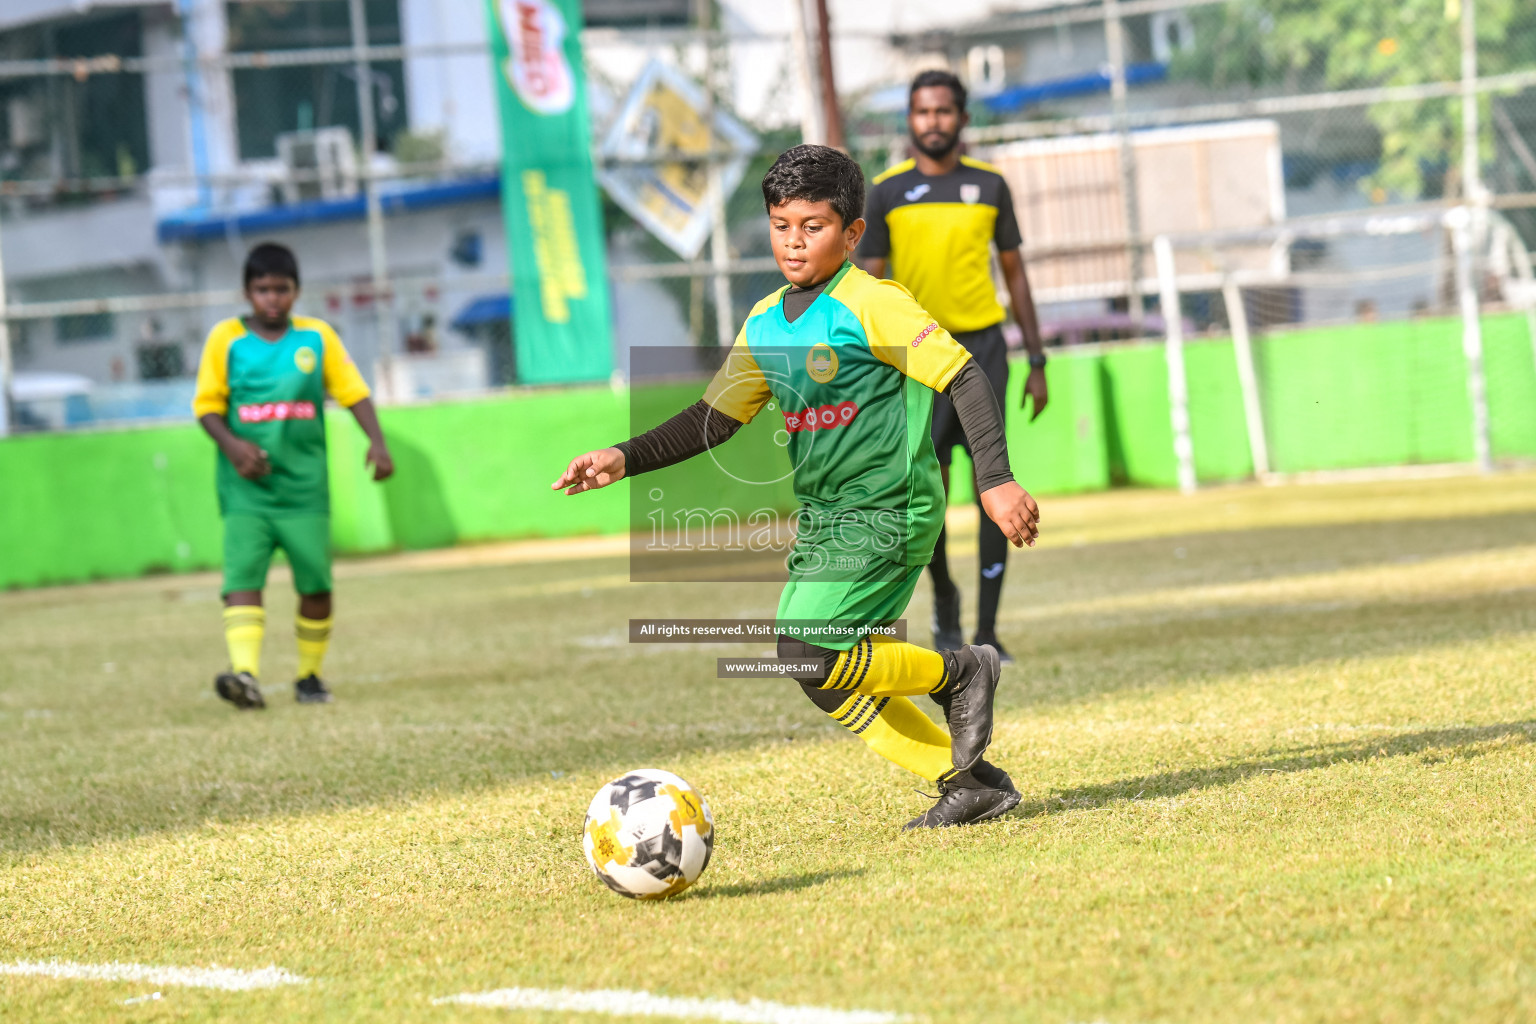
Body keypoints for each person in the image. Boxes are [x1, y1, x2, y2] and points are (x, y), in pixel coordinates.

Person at [553, 145, 1042, 829]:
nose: (793, 241)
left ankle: (960, 673)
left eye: (812, 225)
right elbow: (712, 420)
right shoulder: (764, 323)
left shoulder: (873, 303)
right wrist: (622, 457)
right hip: (827, 516)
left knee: (807, 649)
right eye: (782, 224)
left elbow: (963, 375)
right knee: (818, 668)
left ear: (852, 233)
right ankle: (968, 782)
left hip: (890, 505)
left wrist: (995, 480)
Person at [861, 69, 1049, 662]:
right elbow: (868, 287)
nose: (933, 121)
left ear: (963, 119)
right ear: (910, 120)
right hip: (916, 359)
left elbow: (1015, 274)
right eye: (922, 112)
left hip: (984, 353)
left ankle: (988, 631)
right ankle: (945, 598)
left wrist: (1037, 358)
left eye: (944, 111)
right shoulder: (886, 191)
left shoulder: (991, 187)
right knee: (929, 492)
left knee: (992, 486)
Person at [192, 242, 394, 710]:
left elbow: (353, 392)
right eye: (262, 289)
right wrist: (234, 446)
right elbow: (206, 407)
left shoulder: (316, 338)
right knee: (243, 579)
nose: (272, 299)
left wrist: (377, 443)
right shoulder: (226, 339)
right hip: (246, 490)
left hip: (304, 489)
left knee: (316, 586)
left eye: (281, 289)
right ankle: (245, 674)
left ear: (296, 291)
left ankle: (309, 677)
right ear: (248, 292)